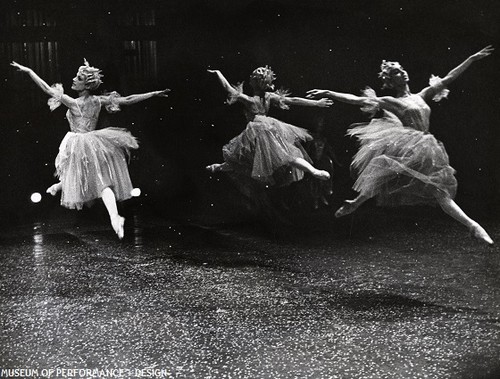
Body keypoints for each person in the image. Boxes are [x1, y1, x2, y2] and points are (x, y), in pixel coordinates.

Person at [306, 46, 494, 245]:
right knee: (385, 171)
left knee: (440, 192)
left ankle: (472, 226)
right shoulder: (391, 101)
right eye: (396, 71)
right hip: (410, 145)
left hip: (427, 147)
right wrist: (329, 93)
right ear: (390, 80)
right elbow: (358, 100)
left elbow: (449, 78)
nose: (402, 72)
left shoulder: (422, 95)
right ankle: (356, 203)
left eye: (402, 68)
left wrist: (471, 58)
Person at [11, 59, 170, 239]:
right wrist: (153, 93)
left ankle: (107, 212)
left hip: (80, 141)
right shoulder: (98, 100)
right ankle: (71, 192)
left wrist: (29, 70)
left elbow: (47, 89)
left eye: (78, 78)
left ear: (85, 85)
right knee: (96, 179)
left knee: (87, 175)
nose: (73, 79)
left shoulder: (74, 103)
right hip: (95, 142)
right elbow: (128, 100)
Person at [206, 66, 333, 187]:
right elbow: (293, 100)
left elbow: (228, 89)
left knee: (242, 158)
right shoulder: (269, 97)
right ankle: (314, 170)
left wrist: (218, 73)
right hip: (270, 128)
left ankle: (219, 167)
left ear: (253, 82)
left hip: (257, 131)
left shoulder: (249, 100)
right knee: (284, 155)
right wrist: (316, 103)